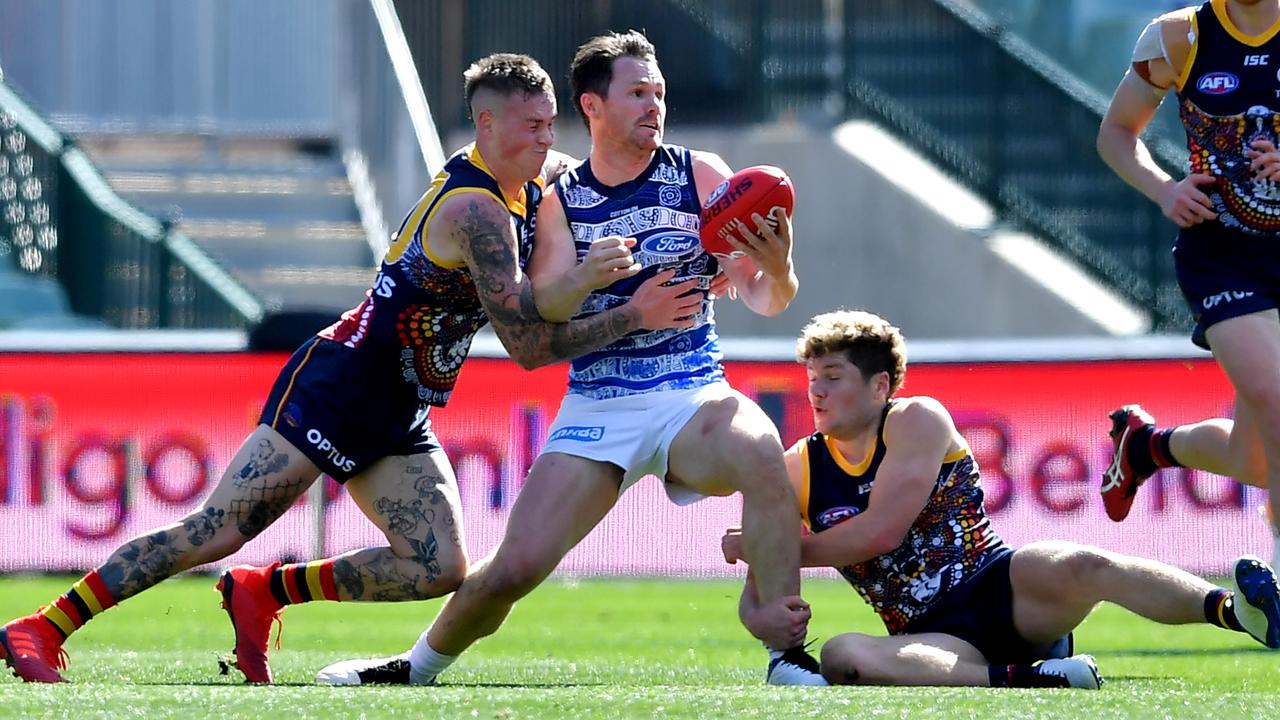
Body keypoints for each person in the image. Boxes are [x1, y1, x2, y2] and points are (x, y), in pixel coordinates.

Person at [0, 53, 699, 685]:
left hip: (399, 405)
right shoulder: (476, 211)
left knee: (438, 568)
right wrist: (633, 315)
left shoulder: (525, 182)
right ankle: (43, 626)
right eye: (532, 126)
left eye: (551, 124)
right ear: (487, 125)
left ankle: (264, 592)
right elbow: (527, 347)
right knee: (216, 529)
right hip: (340, 385)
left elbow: (570, 215)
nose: (548, 140)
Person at [314, 30, 823, 687]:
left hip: (691, 392)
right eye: (637, 93)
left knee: (762, 452)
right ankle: (412, 668)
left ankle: (786, 651)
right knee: (513, 569)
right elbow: (544, 310)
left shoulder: (700, 175)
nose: (653, 106)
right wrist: (589, 280)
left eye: (659, 93)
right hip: (599, 404)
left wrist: (777, 264)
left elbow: (767, 297)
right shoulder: (561, 199)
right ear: (592, 106)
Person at [721, 309, 1280, 688]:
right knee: (842, 654)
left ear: (880, 387)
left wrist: (771, 546)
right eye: (812, 375)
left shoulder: (918, 418)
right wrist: (763, 620)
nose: (815, 389)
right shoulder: (795, 466)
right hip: (929, 637)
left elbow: (880, 533)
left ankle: (1239, 612)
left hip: (1003, 585)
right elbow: (760, 596)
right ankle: (1034, 680)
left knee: (1083, 561)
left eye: (833, 376)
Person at [1095, 0, 1280, 564]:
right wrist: (1165, 190)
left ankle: (1148, 447)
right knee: (1278, 400)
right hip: (1221, 255)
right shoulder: (1179, 37)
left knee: (1253, 459)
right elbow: (1117, 134)